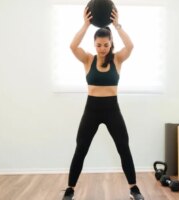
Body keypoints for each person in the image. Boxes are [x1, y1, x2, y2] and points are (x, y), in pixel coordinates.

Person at [62, 7, 145, 200]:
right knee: (81, 148)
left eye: (106, 45)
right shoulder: (88, 59)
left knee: (123, 146)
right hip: (91, 109)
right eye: (99, 45)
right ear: (94, 44)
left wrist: (117, 25)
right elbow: (73, 46)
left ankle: (134, 189)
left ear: (110, 44)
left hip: (111, 109)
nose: (102, 48)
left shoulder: (117, 60)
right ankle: (70, 189)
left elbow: (130, 46)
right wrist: (85, 25)